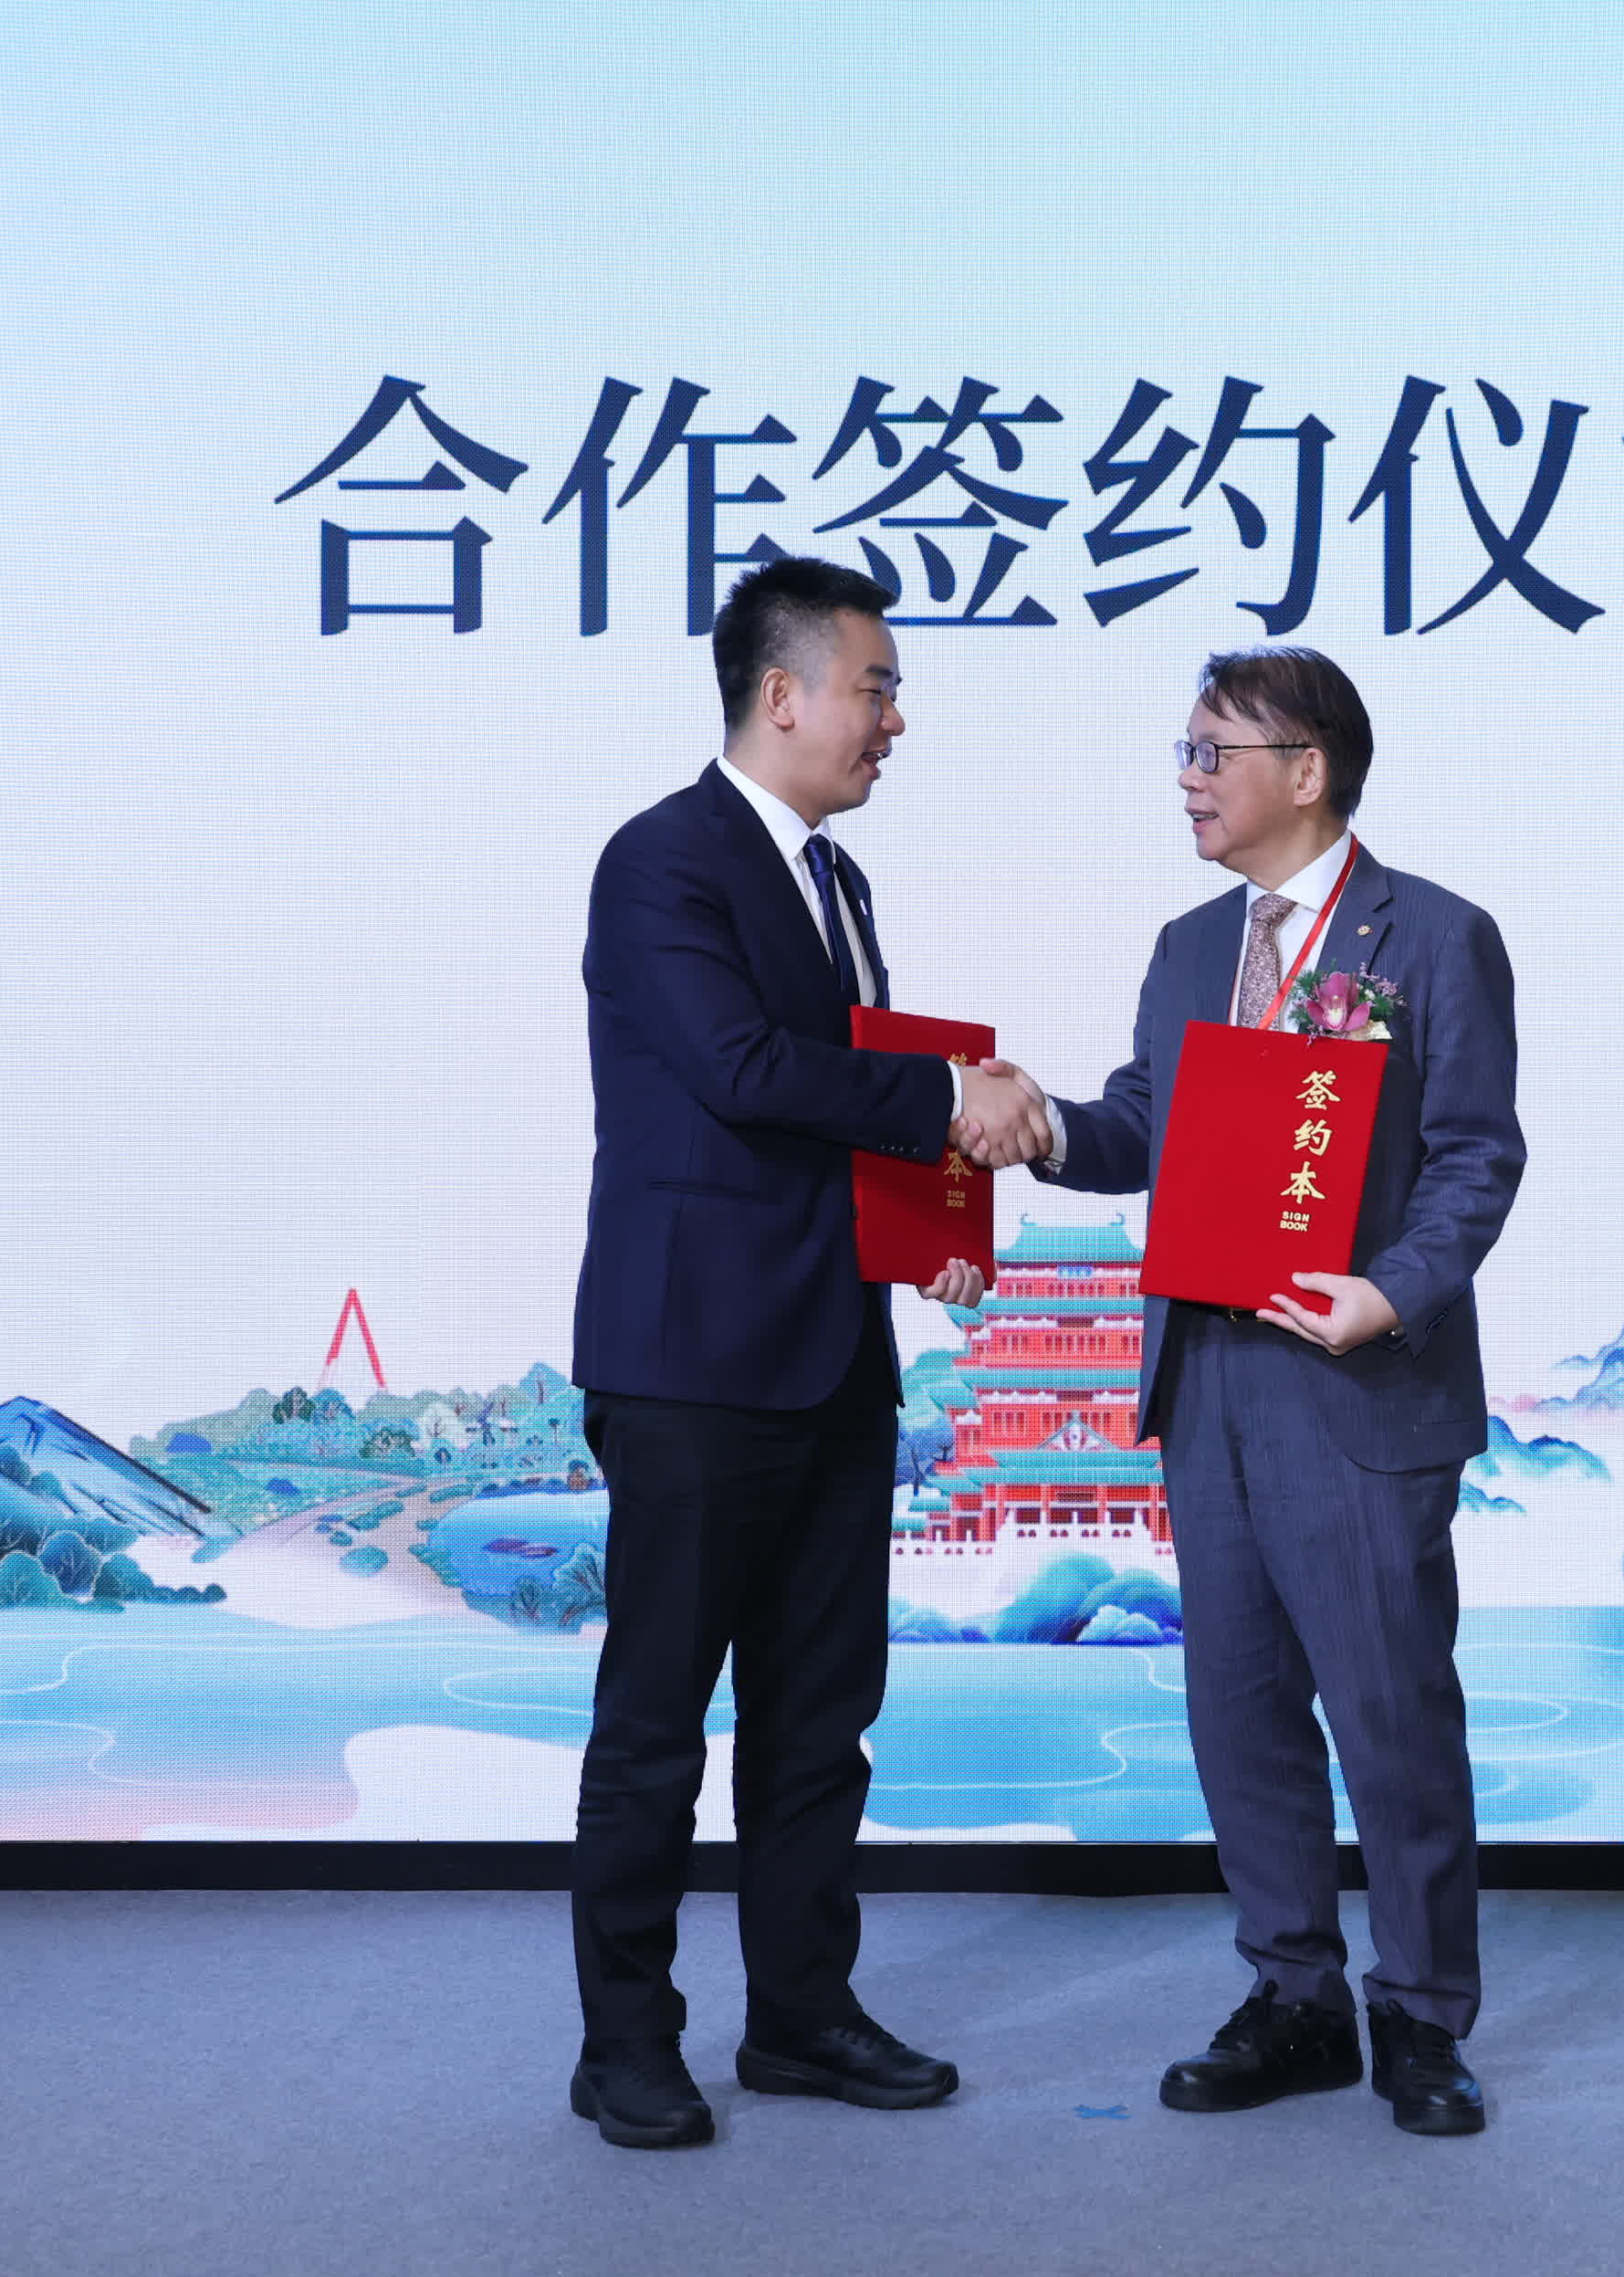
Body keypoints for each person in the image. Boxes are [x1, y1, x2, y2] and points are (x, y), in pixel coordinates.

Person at [566, 557, 1050, 2149]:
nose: (895, 722)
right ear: (783, 695)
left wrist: (934, 1232)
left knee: (819, 1717)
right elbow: (742, 1068)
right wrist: (951, 1100)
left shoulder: (838, 883)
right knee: (657, 1724)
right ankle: (626, 2043)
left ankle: (800, 2016)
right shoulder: (664, 860)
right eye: (878, 688)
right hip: (693, 1364)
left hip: (837, 1353)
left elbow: (833, 1125)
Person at [1008, 647, 1522, 2135]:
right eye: (1182, 752)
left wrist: (1392, 1291)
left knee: (1389, 1712)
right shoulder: (1188, 948)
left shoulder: (1434, 936)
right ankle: (1293, 1995)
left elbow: (1476, 1154)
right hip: (1213, 1374)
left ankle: (1420, 2014)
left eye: (1212, 752)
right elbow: (1148, 1125)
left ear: (1307, 769)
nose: (1188, 779)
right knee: (1238, 1711)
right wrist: (1043, 1130)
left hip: (1357, 1379)